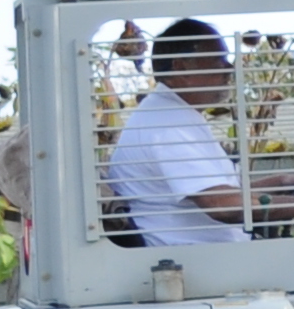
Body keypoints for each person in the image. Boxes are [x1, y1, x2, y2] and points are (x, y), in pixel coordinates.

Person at [109, 19, 254, 247]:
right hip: (194, 268)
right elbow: (221, 205)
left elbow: (215, 190)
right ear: (181, 67)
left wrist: (280, 185)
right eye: (219, 60)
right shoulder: (166, 125)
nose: (229, 69)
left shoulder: (174, 114)